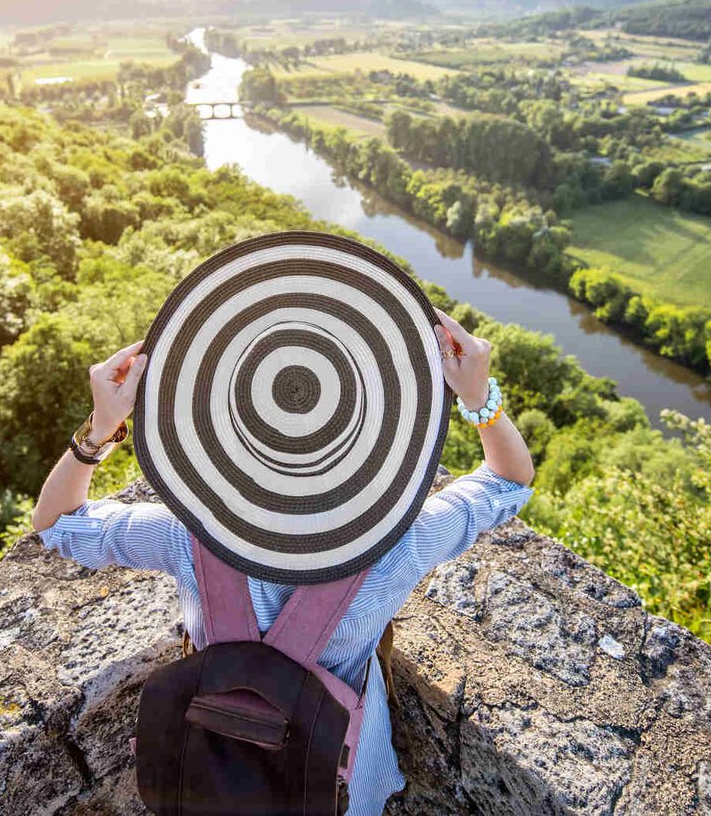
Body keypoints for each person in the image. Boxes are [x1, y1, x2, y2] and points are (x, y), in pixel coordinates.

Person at [31, 306, 534, 815]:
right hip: (330, 774)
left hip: (208, 767)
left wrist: (100, 429)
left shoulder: (188, 535)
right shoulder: (399, 545)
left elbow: (56, 523)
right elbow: (509, 481)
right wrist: (478, 398)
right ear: (368, 443)